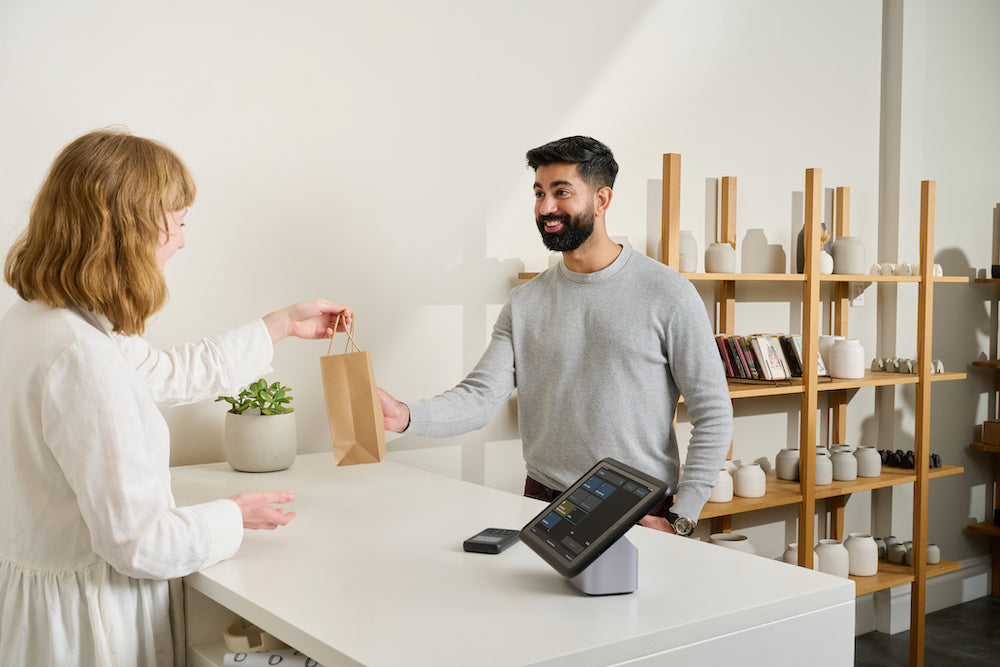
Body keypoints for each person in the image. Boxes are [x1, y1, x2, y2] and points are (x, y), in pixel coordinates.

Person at [0, 128, 352, 666]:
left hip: (46, 608)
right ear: (130, 228)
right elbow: (139, 543)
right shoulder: (80, 355)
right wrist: (232, 516)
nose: (183, 240)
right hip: (90, 627)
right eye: (179, 222)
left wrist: (280, 325)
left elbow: (164, 373)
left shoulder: (40, 322)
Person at [379, 136, 733, 536]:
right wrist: (407, 415)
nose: (545, 208)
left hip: (636, 508)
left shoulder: (668, 293)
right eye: (539, 193)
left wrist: (682, 516)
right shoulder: (526, 301)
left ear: (602, 200)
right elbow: (479, 397)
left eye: (561, 192)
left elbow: (713, 412)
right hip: (541, 501)